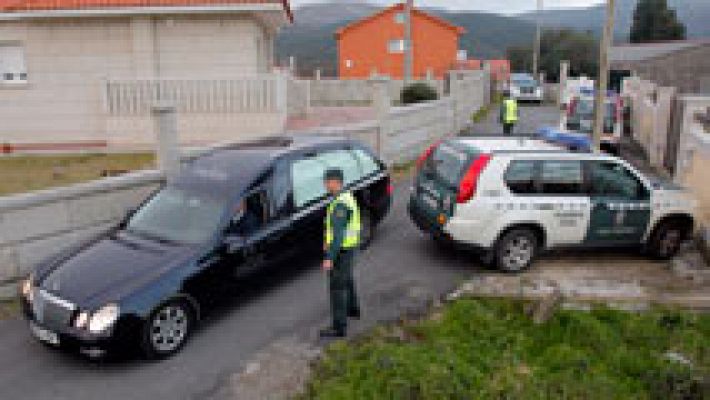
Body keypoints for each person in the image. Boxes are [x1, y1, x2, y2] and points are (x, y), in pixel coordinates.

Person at [320, 168, 361, 338]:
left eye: (327, 182)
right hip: (349, 248)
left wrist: (329, 257)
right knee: (348, 279)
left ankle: (339, 327)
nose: (325, 185)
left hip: (341, 251)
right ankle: (353, 309)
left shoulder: (341, 205)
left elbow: (338, 235)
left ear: (336, 182)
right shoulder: (346, 196)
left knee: (337, 287)